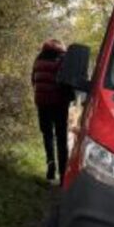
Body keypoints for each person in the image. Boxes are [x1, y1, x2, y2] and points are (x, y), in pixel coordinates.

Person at [32, 39, 72, 183]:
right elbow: (66, 81)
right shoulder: (62, 59)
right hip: (59, 104)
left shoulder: (39, 59)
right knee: (61, 138)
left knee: (47, 134)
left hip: (42, 103)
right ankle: (63, 174)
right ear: (60, 47)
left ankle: (51, 165)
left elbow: (33, 80)